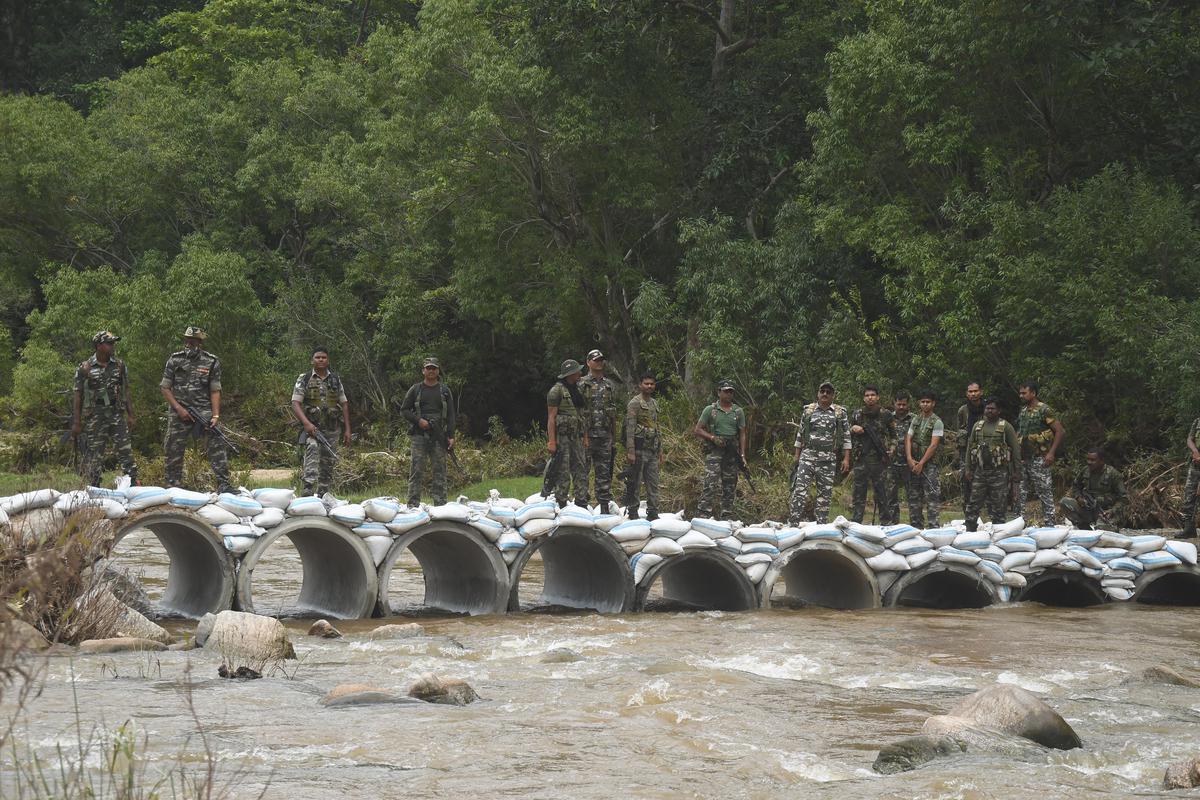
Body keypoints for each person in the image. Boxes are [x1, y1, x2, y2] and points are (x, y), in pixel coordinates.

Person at [160, 325, 231, 493]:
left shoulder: (211, 361)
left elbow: (215, 390)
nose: (190, 343)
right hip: (179, 411)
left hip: (203, 410)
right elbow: (165, 388)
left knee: (216, 440)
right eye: (188, 340)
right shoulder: (174, 360)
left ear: (200, 342)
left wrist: (215, 415)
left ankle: (224, 483)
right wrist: (178, 409)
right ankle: (173, 483)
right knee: (173, 446)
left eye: (194, 341)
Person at [72, 331, 138, 487]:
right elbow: (78, 395)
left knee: (125, 451)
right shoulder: (85, 367)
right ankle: (94, 486)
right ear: (99, 346)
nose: (113, 346)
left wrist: (131, 415)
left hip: (116, 413)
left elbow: (126, 390)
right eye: (109, 343)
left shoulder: (120, 365)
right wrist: (76, 422)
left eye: (113, 343)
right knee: (94, 455)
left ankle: (133, 483)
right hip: (95, 416)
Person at [788, 381, 850, 525]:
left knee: (825, 496)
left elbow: (847, 436)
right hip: (808, 457)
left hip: (828, 459)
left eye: (828, 392)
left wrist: (846, 459)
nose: (825, 394)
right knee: (800, 491)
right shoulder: (808, 411)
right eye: (822, 391)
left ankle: (821, 525)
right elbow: (800, 434)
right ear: (818, 393)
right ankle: (793, 522)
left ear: (833, 395)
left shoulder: (840, 413)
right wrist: (797, 456)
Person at [291, 347, 351, 497]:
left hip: (332, 428)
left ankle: (323, 494)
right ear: (312, 360)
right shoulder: (304, 379)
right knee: (311, 450)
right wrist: (306, 423)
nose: (321, 360)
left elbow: (344, 404)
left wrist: (348, 429)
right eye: (317, 357)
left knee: (328, 461)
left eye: (324, 357)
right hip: (312, 427)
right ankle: (308, 489)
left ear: (328, 360)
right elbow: (295, 403)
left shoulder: (335, 379)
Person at [401, 357, 456, 507]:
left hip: (439, 437)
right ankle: (412, 506)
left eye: (434, 368)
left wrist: (451, 436)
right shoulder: (416, 389)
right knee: (416, 471)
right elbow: (404, 410)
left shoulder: (445, 391)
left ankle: (440, 506)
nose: (431, 371)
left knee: (440, 472)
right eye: (428, 368)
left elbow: (451, 414)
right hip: (419, 436)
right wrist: (419, 421)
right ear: (423, 370)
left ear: (438, 371)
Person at [694, 380, 747, 520]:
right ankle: (703, 514)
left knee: (730, 485)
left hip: (731, 452)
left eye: (731, 391)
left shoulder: (738, 411)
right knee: (710, 483)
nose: (728, 394)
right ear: (719, 392)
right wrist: (712, 437)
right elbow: (698, 429)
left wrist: (742, 454)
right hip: (715, 452)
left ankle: (726, 515)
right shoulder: (710, 410)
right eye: (726, 391)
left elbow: (742, 434)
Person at [963, 398, 1020, 530]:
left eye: (992, 408)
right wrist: (968, 469)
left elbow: (1016, 450)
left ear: (999, 410)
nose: (989, 411)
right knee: (973, 504)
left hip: (999, 472)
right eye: (987, 408)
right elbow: (969, 448)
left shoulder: (1006, 427)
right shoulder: (977, 426)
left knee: (999, 505)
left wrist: (1017, 471)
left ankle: (998, 532)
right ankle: (970, 530)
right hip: (980, 472)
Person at [578, 348, 620, 513]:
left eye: (601, 359)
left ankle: (604, 509)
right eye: (595, 360)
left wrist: (613, 439)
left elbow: (613, 413)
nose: (599, 362)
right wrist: (582, 435)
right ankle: (581, 508)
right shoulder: (581, 384)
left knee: (604, 476)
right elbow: (578, 412)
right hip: (586, 437)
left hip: (605, 437)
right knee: (583, 474)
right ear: (588, 362)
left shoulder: (609, 385)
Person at [1017, 381, 1064, 524]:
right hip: (1024, 458)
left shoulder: (1044, 410)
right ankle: (1020, 522)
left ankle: (1049, 522)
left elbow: (1060, 431)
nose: (1021, 396)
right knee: (1021, 491)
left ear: (1033, 393)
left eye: (1024, 393)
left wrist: (1051, 453)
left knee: (1044, 491)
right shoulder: (1023, 411)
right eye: (1020, 393)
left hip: (1040, 457)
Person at [545, 359, 587, 507]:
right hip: (561, 438)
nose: (580, 373)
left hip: (577, 437)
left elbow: (582, 416)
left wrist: (585, 437)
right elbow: (551, 418)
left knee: (580, 469)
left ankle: (581, 501)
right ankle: (561, 501)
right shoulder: (556, 391)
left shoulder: (578, 389)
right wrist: (551, 441)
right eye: (577, 371)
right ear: (571, 374)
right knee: (562, 471)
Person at [849, 385, 894, 523]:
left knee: (882, 493)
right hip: (861, 459)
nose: (870, 397)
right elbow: (847, 433)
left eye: (873, 395)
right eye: (867, 395)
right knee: (858, 493)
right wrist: (853, 428)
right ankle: (856, 522)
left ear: (878, 397)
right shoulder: (857, 414)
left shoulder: (886, 414)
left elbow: (894, 436)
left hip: (879, 460)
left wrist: (892, 449)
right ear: (864, 398)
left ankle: (886, 523)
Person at [623, 372, 662, 520]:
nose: (649, 386)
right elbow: (630, 428)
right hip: (638, 450)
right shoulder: (634, 403)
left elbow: (657, 428)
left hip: (652, 450)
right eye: (646, 383)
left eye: (652, 384)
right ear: (640, 385)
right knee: (635, 482)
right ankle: (633, 511)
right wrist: (630, 451)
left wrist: (660, 450)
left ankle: (653, 511)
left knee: (653, 483)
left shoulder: (654, 403)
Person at [1061, 448, 1127, 531]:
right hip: (1088, 508)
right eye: (1088, 459)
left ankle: (1110, 528)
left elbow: (1123, 498)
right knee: (1065, 502)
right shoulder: (1085, 470)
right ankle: (1085, 529)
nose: (1089, 462)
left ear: (1102, 461)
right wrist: (1079, 497)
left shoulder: (1113, 475)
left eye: (1093, 460)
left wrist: (1112, 511)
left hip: (1106, 511)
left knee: (1101, 529)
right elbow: (1076, 486)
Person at [905, 389, 944, 528]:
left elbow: (934, 445)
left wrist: (922, 463)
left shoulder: (937, 422)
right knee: (914, 498)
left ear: (933, 404)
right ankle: (916, 528)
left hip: (930, 466)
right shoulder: (916, 420)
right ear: (919, 403)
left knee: (932, 498)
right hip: (914, 464)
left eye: (928, 402)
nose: (925, 404)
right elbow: (908, 438)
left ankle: (933, 529)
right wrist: (909, 458)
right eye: (923, 402)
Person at [956, 381, 985, 515]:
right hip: (966, 452)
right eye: (970, 392)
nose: (973, 394)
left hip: (985, 452)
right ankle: (968, 514)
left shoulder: (988, 408)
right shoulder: (963, 410)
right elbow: (960, 429)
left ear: (981, 392)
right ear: (967, 394)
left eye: (975, 391)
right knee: (966, 481)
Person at [886, 392, 913, 525]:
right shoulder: (887, 418)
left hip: (910, 463)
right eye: (899, 404)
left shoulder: (914, 419)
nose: (901, 407)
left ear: (908, 404)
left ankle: (916, 525)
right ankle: (892, 525)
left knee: (913, 497)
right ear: (894, 404)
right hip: (891, 463)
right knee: (891, 496)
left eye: (904, 404)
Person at [1183, 416, 1200, 536]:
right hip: (1196, 464)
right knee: (1189, 494)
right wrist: (1195, 451)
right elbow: (1189, 438)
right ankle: (1189, 529)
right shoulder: (1198, 421)